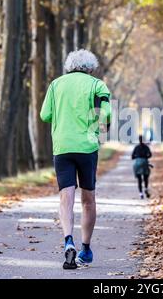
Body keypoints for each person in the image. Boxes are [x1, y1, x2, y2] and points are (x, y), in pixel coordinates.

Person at [40, 49, 111, 270]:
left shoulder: (55, 85)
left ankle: (68, 240)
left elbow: (45, 115)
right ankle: (86, 249)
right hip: (87, 147)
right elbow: (105, 114)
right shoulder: (97, 85)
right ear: (91, 68)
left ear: (69, 66)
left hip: (62, 147)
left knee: (66, 198)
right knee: (88, 200)